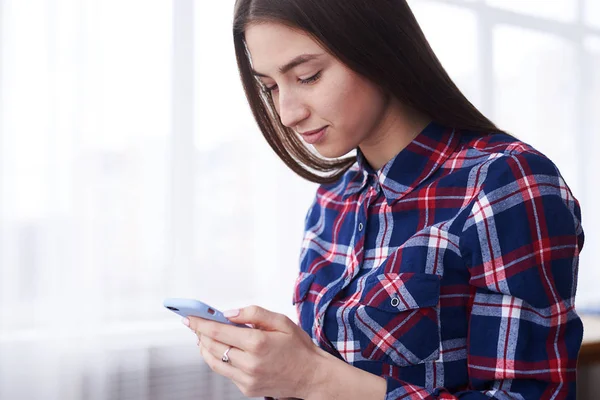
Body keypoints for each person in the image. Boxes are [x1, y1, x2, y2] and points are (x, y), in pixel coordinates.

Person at [182, 0, 585, 399]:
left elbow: (526, 395)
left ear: (375, 47)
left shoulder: (505, 183)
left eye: (307, 76)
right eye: (270, 87)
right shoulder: (332, 202)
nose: (286, 113)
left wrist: (313, 378)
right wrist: (280, 371)